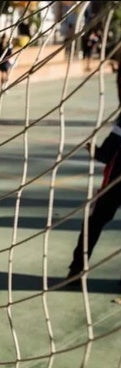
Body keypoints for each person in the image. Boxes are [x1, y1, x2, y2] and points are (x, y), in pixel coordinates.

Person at [66, 113, 121, 287]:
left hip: (115, 183)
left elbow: (106, 154)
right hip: (114, 183)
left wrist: (93, 150)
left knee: (94, 223)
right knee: (94, 223)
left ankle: (76, 271)